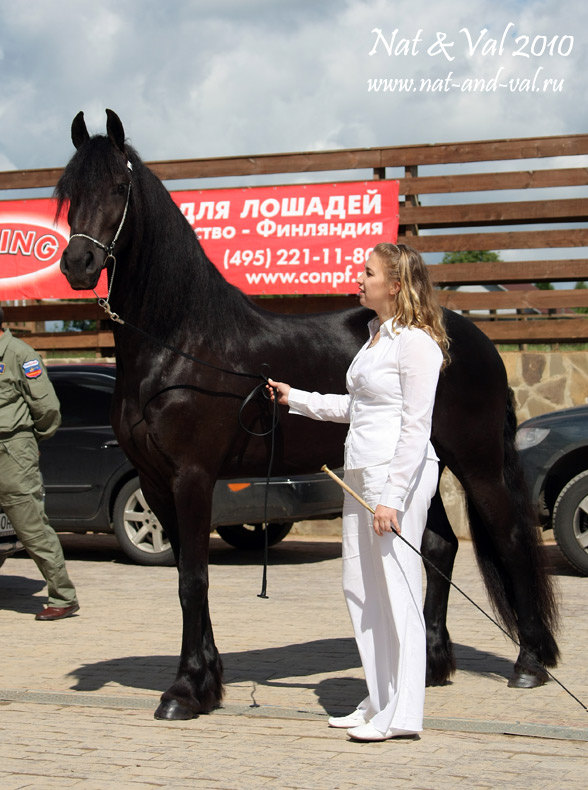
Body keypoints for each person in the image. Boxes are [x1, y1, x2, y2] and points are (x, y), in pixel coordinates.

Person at [268, 243, 449, 741]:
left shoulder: (417, 344)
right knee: (361, 589)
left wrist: (391, 497)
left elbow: (415, 426)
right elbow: (359, 407)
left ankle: (404, 713)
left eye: (369, 273)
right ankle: (380, 697)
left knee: (399, 592)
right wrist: (295, 398)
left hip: (397, 479)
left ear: (395, 285)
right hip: (362, 473)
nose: (360, 277)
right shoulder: (374, 336)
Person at [0, 305, 79, 620]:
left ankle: (63, 596)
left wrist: (30, 442)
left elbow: (47, 409)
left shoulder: (20, 355)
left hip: (11, 450)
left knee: (31, 527)